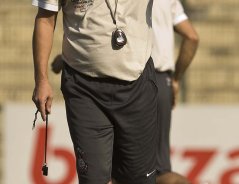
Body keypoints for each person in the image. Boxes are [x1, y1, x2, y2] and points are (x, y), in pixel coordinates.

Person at [31, 0, 158, 184]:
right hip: (83, 88)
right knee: (93, 180)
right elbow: (45, 20)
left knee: (139, 180)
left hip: (137, 86)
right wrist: (41, 79)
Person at [152, 0, 199, 183]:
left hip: (131, 82)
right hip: (162, 81)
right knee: (158, 169)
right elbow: (192, 37)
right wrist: (176, 79)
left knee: (121, 171)